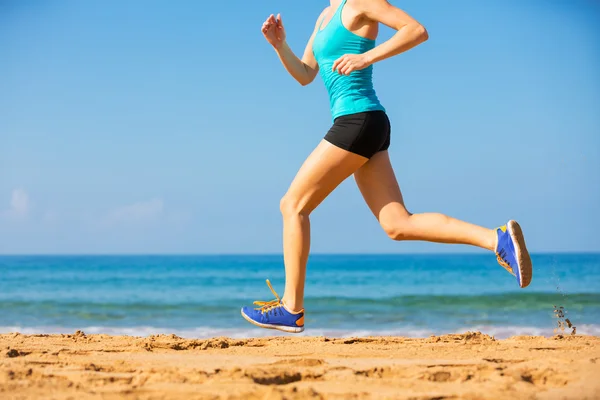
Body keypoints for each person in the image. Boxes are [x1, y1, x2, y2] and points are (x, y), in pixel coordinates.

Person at [240, 0, 532, 333]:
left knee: (292, 205)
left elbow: (416, 31)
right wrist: (280, 46)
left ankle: (291, 308)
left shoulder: (361, 2)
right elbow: (306, 74)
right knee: (397, 224)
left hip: (358, 119)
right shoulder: (324, 15)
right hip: (365, 123)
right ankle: (497, 240)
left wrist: (367, 57)